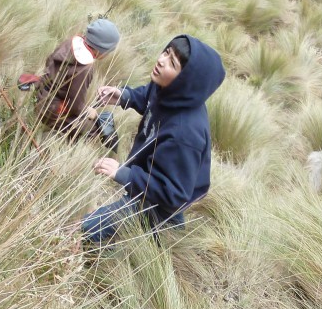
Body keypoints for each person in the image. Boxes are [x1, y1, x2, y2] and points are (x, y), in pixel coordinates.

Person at [81, 35, 225, 244]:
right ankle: (164, 234)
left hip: (158, 201)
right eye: (167, 52)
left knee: (88, 229)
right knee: (141, 224)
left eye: (172, 63)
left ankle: (163, 236)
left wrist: (124, 174)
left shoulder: (184, 133)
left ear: (185, 81)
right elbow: (150, 96)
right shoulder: (169, 90)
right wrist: (124, 96)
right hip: (153, 179)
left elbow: (173, 193)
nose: (161, 60)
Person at [18, 19, 121, 144]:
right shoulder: (85, 69)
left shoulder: (70, 43)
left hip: (40, 95)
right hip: (51, 110)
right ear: (101, 50)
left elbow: (48, 61)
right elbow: (75, 106)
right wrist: (90, 112)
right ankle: (58, 146)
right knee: (92, 130)